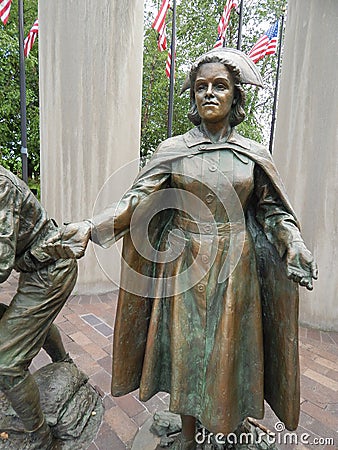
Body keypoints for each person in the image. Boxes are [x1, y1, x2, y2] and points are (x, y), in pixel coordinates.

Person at [45, 48, 318, 450]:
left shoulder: (252, 155)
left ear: (235, 96)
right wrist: (92, 226)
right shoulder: (174, 150)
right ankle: (190, 437)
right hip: (186, 265)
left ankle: (228, 427)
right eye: (201, 87)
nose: (209, 93)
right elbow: (136, 200)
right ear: (193, 96)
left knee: (232, 349)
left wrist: (292, 243)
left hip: (236, 265)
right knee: (188, 354)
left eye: (219, 86)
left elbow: (273, 211)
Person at [0, 164, 78, 449]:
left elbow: (0, 263)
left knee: (6, 364)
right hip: (35, 267)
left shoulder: (0, 186)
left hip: (51, 268)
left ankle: (42, 437)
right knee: (28, 322)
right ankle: (65, 364)